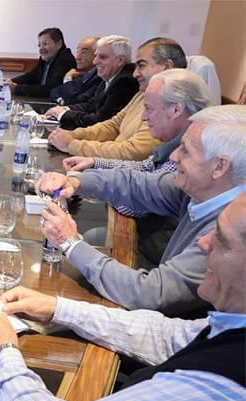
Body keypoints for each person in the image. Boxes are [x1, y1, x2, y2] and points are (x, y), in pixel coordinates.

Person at [0, 193, 246, 401]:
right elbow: (167, 335)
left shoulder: (221, 387)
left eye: (221, 239)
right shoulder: (233, 330)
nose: (203, 243)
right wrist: (57, 308)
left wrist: (1, 353)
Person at [37, 105, 246, 318]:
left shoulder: (231, 230)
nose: (174, 156)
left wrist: (70, 243)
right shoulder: (202, 188)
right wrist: (76, 181)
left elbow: (152, 294)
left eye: (185, 150)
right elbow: (138, 184)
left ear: (219, 167)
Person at [63, 69, 211, 265]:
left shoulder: (192, 156)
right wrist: (95, 163)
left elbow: (133, 204)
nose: (143, 117)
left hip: (151, 256)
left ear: (176, 110)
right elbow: (145, 168)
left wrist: (86, 183)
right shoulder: (177, 141)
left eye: (148, 108)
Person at [48, 37, 187, 160]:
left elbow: (134, 152)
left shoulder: (170, 103)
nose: (135, 74)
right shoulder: (142, 93)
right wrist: (73, 135)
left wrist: (72, 145)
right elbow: (113, 125)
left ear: (167, 67)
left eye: (141, 65)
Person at [44, 35, 138, 129]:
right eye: (96, 56)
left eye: (102, 57)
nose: (95, 61)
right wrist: (64, 109)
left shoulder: (125, 82)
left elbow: (100, 121)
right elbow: (91, 105)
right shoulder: (109, 76)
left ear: (120, 60)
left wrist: (62, 114)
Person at [6, 28, 76, 98]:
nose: (41, 49)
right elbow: (31, 76)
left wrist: (17, 88)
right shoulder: (46, 59)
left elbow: (51, 89)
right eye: (39, 45)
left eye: (45, 44)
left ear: (59, 44)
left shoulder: (66, 61)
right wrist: (10, 81)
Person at [50, 36, 101, 105]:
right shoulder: (82, 74)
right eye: (77, 52)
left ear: (97, 54)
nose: (77, 57)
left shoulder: (100, 77)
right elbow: (54, 91)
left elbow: (74, 101)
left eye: (83, 52)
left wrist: (67, 79)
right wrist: (61, 100)